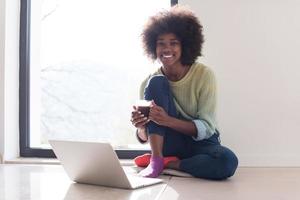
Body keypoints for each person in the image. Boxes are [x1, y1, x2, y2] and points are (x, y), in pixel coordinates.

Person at [130, 5, 238, 180]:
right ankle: (157, 159)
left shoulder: (204, 75)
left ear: (185, 45)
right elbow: (145, 135)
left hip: (201, 143)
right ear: (152, 46)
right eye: (161, 43)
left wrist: (168, 120)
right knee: (156, 83)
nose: (167, 49)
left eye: (173, 43)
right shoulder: (149, 83)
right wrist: (141, 127)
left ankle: (167, 163)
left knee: (227, 161)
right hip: (168, 142)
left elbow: (207, 127)